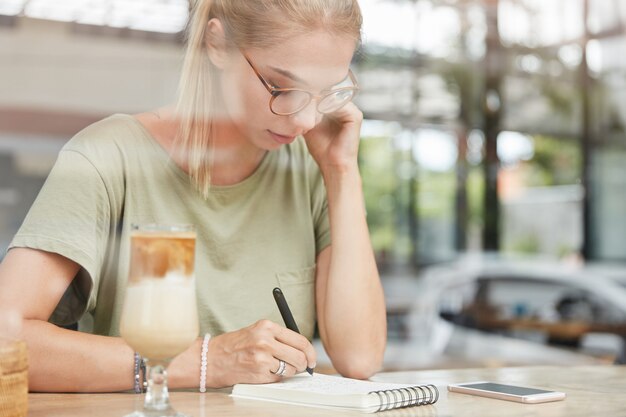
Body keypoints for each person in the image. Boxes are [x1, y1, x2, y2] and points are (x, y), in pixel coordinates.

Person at [0, 0, 386, 392]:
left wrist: (341, 171)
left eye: (326, 92)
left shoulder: (311, 165)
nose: (307, 120)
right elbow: (4, 342)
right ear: (216, 45)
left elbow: (359, 358)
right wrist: (207, 361)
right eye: (283, 87)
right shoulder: (108, 158)